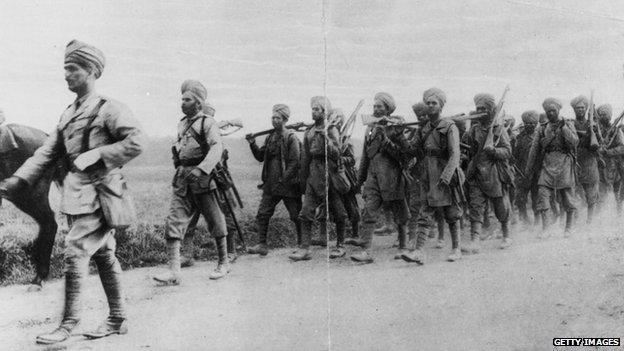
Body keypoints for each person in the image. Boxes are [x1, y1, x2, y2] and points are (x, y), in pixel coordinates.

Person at [0, 40, 143, 344]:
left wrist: (99, 155)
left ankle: (68, 324)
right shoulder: (68, 114)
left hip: (104, 193)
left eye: (72, 68)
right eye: (64, 68)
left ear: (91, 71)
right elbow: (45, 153)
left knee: (75, 252)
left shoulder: (109, 108)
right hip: (78, 195)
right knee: (103, 255)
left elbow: (136, 141)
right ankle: (118, 319)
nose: (66, 74)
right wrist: (18, 180)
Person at [153, 79, 229, 285]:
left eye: (187, 100)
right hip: (182, 178)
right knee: (174, 221)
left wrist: (202, 169)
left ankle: (223, 263)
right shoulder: (182, 123)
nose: (182, 103)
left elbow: (216, 148)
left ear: (198, 103)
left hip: (203, 178)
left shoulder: (207, 122)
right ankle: (174, 271)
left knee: (215, 219)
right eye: (182, 99)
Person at [401, 88, 464, 264]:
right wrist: (399, 135)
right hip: (428, 174)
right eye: (427, 103)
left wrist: (447, 176)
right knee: (425, 211)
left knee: (451, 212)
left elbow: (455, 154)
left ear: (441, 106)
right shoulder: (425, 128)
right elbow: (412, 150)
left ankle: (456, 248)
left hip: (445, 173)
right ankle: (419, 251)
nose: (430, 106)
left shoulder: (449, 126)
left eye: (433, 103)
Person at [350, 93, 413, 264]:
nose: (376, 109)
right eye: (375, 106)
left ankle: (403, 246)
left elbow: (404, 154)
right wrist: (360, 178)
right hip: (373, 177)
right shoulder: (370, 127)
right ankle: (366, 251)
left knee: (400, 213)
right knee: (369, 211)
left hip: (392, 177)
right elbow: (365, 155)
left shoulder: (396, 127)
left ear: (388, 109)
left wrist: (387, 139)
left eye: (380, 107)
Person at [292, 96, 347, 261]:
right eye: (313, 108)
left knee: (339, 213)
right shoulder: (309, 132)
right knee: (306, 212)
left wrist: (326, 139)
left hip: (330, 176)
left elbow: (338, 154)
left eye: (317, 109)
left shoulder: (331, 130)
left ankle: (341, 245)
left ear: (324, 112)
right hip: (313, 177)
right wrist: (304, 181)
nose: (313, 111)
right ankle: (305, 248)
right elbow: (305, 158)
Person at [245, 104, 302, 256]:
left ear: (285, 120)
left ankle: (303, 245)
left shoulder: (291, 137)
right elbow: (260, 157)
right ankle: (262, 244)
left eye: (277, 118)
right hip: (271, 184)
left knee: (296, 215)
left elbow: (295, 162)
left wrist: (283, 179)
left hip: (288, 185)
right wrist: (252, 143)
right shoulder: (270, 138)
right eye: (273, 117)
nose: (274, 120)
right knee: (263, 213)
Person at [462, 94, 514, 253]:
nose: (481, 111)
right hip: (477, 173)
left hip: (495, 174)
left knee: (501, 207)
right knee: (476, 207)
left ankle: (506, 236)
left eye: (484, 108)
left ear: (491, 110)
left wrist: (494, 151)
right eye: (478, 108)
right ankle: (475, 241)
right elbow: (468, 150)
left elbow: (507, 152)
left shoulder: (499, 129)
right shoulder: (474, 130)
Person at [525, 98, 578, 237]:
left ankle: (568, 227)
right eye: (548, 111)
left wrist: (564, 128)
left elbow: (574, 142)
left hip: (564, 163)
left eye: (553, 110)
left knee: (567, 196)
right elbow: (534, 149)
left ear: (558, 111)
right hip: (547, 164)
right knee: (542, 194)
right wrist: (528, 169)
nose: (551, 113)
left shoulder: (568, 124)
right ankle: (546, 228)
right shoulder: (542, 128)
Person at [571, 95, 601, 223]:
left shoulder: (592, 124)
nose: (580, 110)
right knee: (574, 190)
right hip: (575, 159)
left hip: (589, 159)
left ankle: (590, 219)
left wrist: (594, 132)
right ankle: (575, 217)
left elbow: (599, 142)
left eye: (583, 108)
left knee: (591, 191)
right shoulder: (570, 123)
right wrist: (584, 134)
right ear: (574, 110)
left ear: (586, 109)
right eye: (578, 108)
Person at [514, 110, 540, 225]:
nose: (529, 125)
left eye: (531, 123)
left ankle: (537, 221)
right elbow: (515, 155)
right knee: (520, 199)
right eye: (526, 123)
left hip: (536, 173)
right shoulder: (519, 138)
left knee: (536, 199)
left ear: (535, 124)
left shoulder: (539, 136)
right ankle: (525, 220)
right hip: (522, 172)